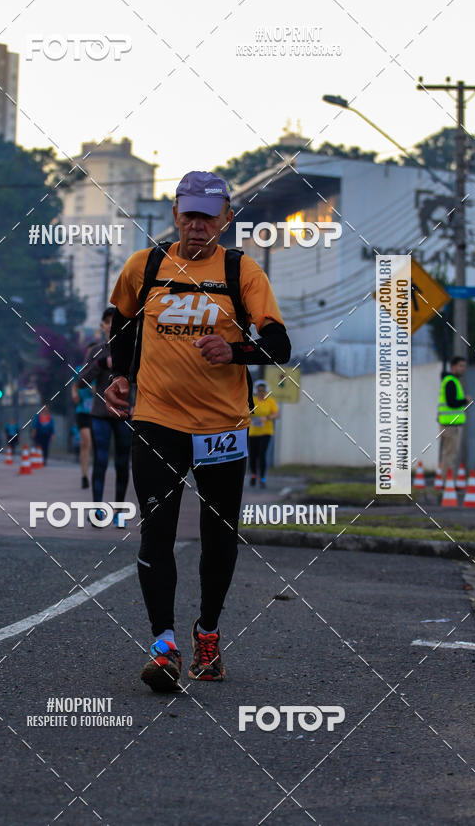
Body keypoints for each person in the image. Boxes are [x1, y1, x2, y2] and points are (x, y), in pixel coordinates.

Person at [104, 170, 291, 692]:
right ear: (174, 215)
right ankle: (163, 645)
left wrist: (234, 350)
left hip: (222, 428)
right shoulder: (145, 266)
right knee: (157, 530)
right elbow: (118, 321)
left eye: (208, 215)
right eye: (189, 213)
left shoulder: (242, 272)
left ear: (225, 219)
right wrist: (120, 375)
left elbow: (279, 346)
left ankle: (207, 634)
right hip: (157, 421)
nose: (197, 225)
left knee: (219, 537)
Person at [78, 308, 132, 527]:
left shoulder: (133, 350)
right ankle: (96, 510)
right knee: (100, 460)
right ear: (102, 325)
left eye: (117, 322)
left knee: (122, 462)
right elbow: (80, 382)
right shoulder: (97, 351)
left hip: (125, 413)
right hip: (100, 413)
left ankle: (119, 511)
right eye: (109, 322)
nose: (113, 325)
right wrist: (100, 364)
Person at [438, 356, 471, 478]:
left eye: (464, 366)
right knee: (449, 454)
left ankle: (447, 482)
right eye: (460, 366)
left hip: (450, 424)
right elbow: (451, 402)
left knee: (449, 454)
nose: (463, 368)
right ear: (453, 367)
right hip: (450, 425)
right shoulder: (451, 381)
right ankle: (447, 483)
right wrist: (465, 400)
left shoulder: (451, 381)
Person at [248, 380, 279, 488]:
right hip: (253, 433)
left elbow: (276, 414)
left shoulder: (270, 401)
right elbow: (245, 412)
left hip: (266, 432)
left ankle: (262, 478)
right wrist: (251, 418)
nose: (261, 392)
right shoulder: (252, 400)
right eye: (259, 390)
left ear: (266, 391)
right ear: (256, 391)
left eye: (263, 390)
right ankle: (253, 475)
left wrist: (266, 418)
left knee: (262, 455)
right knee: (253, 456)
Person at [72, 363, 94, 489]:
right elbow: (74, 385)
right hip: (82, 412)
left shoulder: (100, 367)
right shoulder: (79, 370)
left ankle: (92, 473)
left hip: (97, 412)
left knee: (91, 444)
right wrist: (74, 393)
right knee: (86, 442)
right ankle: (84, 475)